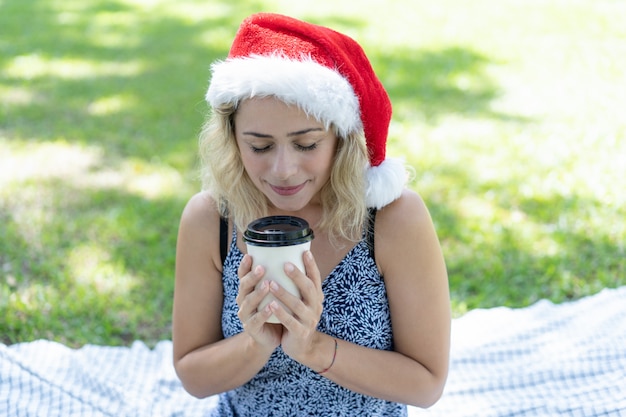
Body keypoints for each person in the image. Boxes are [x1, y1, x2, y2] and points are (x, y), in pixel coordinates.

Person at [172, 12, 450, 416]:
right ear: (232, 140)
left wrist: (313, 347)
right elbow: (193, 375)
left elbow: (426, 384)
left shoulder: (392, 218)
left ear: (341, 138)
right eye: (260, 147)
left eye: (306, 144)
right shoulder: (211, 220)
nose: (283, 170)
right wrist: (256, 341)